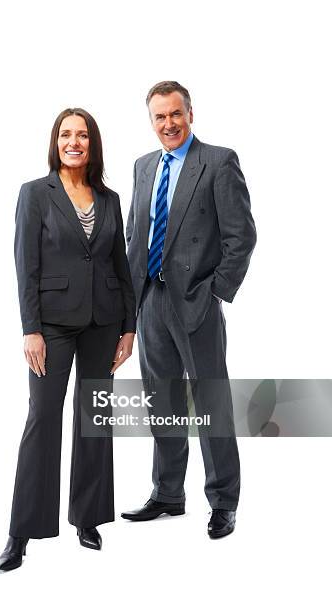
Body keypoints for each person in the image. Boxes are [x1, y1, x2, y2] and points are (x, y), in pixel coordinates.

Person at [0, 108, 136, 571]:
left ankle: (88, 518)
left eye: (82, 135)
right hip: (52, 324)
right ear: (55, 141)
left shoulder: (110, 198)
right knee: (43, 418)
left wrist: (130, 326)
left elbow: (122, 263)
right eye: (65, 134)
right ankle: (21, 532)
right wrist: (30, 329)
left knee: (94, 417)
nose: (73, 142)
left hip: (104, 320)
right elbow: (26, 267)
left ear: (93, 144)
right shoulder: (35, 194)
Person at [121, 81, 256, 538]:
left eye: (175, 114)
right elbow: (134, 233)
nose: (168, 124)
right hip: (151, 300)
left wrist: (215, 290)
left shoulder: (218, 162)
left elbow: (242, 237)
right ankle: (168, 494)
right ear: (152, 121)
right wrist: (131, 298)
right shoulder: (143, 166)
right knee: (163, 403)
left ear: (191, 114)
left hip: (196, 300)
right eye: (159, 117)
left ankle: (223, 502)